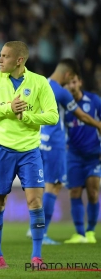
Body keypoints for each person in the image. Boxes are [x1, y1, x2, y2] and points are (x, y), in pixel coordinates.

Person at [0, 41, 59, 268]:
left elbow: (53, 116)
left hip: (30, 151)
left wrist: (30, 118)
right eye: (0, 55)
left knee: (35, 202)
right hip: (1, 149)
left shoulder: (39, 82)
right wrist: (8, 109)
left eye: (4, 56)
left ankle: (37, 257)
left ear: (19, 60)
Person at [26, 59, 101, 244]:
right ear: (68, 75)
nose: (70, 85)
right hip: (56, 142)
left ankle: (35, 227)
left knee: (40, 186)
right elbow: (82, 116)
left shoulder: (39, 83)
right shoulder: (61, 92)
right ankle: (41, 233)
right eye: (70, 80)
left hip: (38, 140)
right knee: (54, 185)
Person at [64, 74, 100, 244]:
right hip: (74, 156)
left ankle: (91, 231)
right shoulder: (65, 105)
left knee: (93, 192)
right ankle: (79, 233)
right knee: (75, 192)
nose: (72, 85)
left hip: (94, 155)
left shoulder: (94, 101)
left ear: (80, 82)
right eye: (68, 83)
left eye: (74, 81)